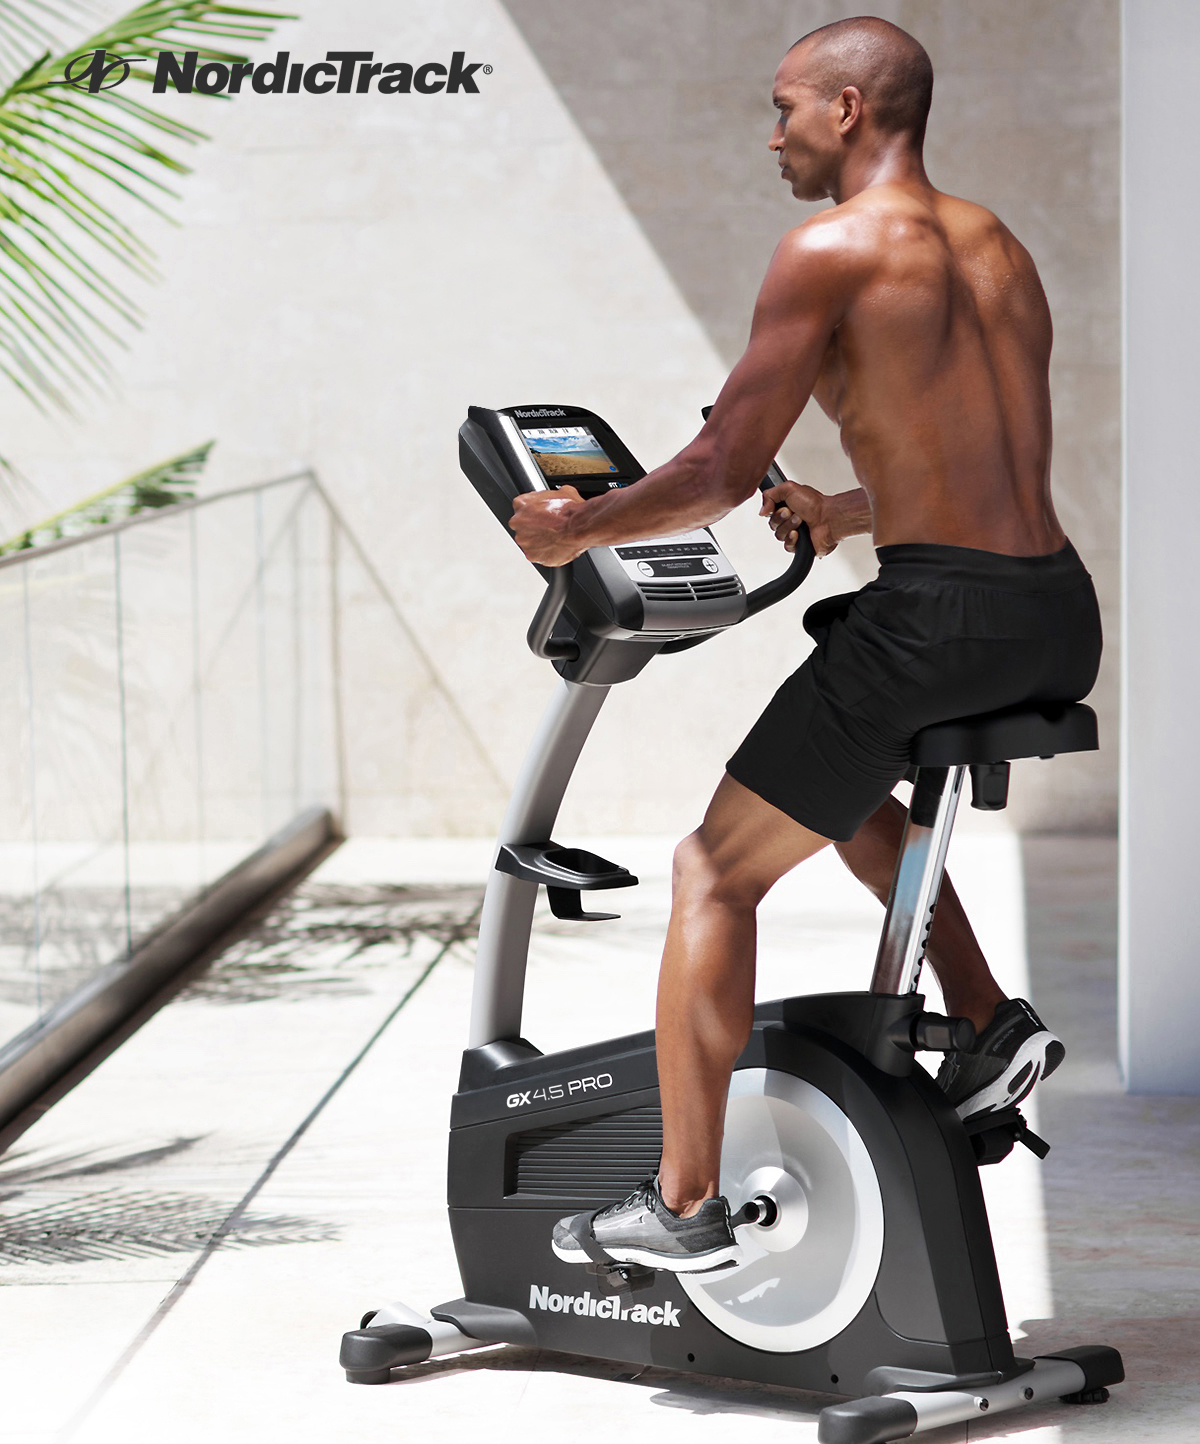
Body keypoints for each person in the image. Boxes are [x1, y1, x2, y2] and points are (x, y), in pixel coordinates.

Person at [509, 15, 1102, 1274]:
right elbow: (980, 462)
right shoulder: (996, 244)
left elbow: (720, 469)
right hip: (1053, 609)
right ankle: (984, 1017)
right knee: (835, 788)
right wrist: (843, 511)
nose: (771, 135)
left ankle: (682, 1203)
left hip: (934, 622)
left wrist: (576, 527)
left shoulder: (827, 250)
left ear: (847, 109)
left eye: (784, 109)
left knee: (711, 870)